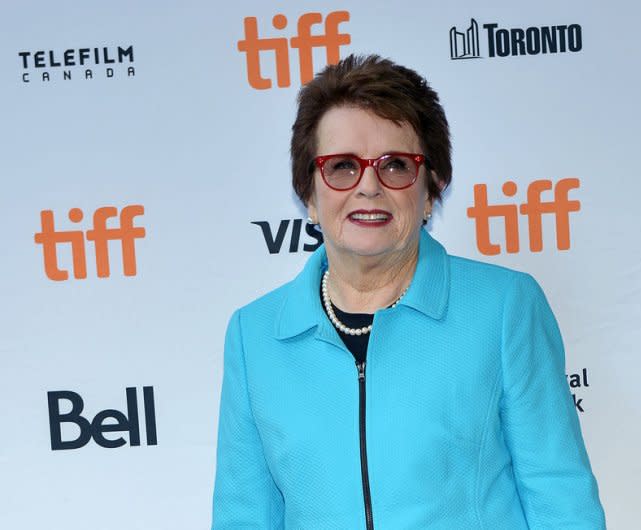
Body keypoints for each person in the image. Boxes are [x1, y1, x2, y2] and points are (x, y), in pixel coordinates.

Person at [212, 54, 605, 529]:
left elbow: (561, 503)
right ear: (309, 194)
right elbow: (244, 517)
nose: (369, 187)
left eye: (396, 165)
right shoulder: (255, 337)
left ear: (431, 189)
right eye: (342, 166)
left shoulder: (505, 309)